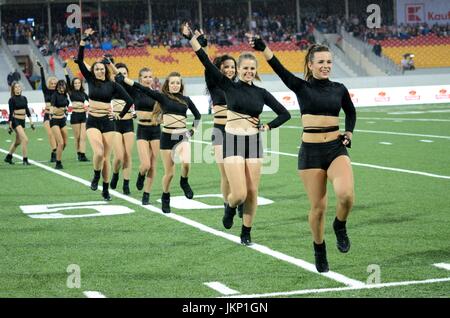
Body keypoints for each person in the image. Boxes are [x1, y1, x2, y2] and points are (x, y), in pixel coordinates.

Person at [249, 36, 356, 272]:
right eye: (321, 61)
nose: (326, 65)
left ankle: (340, 225)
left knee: (346, 195)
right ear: (310, 64)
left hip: (336, 149)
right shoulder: (301, 87)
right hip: (311, 153)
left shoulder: (340, 89)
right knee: (318, 207)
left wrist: (348, 132)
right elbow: (279, 69)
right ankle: (319, 248)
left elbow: (350, 111)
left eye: (329, 61)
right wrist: (264, 48)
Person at [183, 25, 291, 246]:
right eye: (245, 68)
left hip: (254, 142)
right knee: (239, 194)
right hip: (231, 140)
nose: (249, 71)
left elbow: (285, 114)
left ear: (256, 70)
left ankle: (246, 231)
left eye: (252, 68)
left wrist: (267, 127)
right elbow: (204, 60)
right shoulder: (228, 86)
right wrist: (191, 39)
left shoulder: (261, 93)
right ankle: (230, 207)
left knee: (252, 191)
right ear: (238, 69)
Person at [117, 70, 201, 213]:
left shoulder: (186, 99)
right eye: (172, 83)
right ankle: (165, 197)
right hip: (167, 138)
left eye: (177, 83)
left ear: (181, 85)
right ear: (168, 85)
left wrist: (192, 130)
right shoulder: (162, 98)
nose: (175, 85)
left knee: (186, 163)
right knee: (169, 173)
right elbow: (142, 88)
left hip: (182, 136)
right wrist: (125, 80)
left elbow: (198, 116)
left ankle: (184, 181)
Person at [77, 28, 134, 201]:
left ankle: (106, 188)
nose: (100, 71)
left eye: (102, 69)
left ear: (106, 70)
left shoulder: (113, 85)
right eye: (97, 69)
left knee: (107, 158)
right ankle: (96, 175)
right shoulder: (91, 80)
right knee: (99, 153)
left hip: (108, 122)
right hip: (93, 120)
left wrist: (119, 115)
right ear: (93, 71)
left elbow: (129, 100)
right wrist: (83, 40)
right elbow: (80, 60)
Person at [201, 38, 245, 217]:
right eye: (226, 67)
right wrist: (202, 46)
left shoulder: (239, 86)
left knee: (241, 172)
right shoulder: (215, 84)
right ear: (219, 68)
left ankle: (240, 200)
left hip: (239, 132)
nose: (230, 70)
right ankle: (228, 205)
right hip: (220, 131)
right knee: (226, 174)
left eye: (232, 67)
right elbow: (205, 66)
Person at [116, 67, 160, 205]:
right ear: (140, 79)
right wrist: (111, 65)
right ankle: (141, 175)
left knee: (153, 165)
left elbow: (163, 111)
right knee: (145, 164)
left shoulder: (157, 94)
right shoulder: (135, 91)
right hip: (142, 129)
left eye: (150, 77)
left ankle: (146, 194)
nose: (148, 79)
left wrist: (161, 118)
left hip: (155, 130)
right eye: (145, 77)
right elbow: (121, 78)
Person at [107, 62, 135, 195]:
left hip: (128, 124)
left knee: (127, 156)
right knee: (118, 156)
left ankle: (126, 183)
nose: (122, 76)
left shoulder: (131, 88)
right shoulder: (111, 88)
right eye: (120, 73)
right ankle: (115, 174)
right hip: (115, 125)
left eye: (125, 74)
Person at [4, 82, 35, 165]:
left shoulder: (24, 98)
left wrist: (31, 122)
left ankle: (8, 157)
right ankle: (25, 159)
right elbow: (11, 113)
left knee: (18, 142)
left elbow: (27, 110)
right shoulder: (11, 99)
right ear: (13, 89)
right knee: (25, 139)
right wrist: (10, 125)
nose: (18, 88)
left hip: (23, 120)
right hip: (15, 120)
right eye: (16, 87)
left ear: (21, 88)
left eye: (19, 87)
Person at [64, 64, 90, 162]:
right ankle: (78, 153)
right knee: (77, 137)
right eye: (75, 83)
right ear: (73, 84)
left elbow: (90, 102)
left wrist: (89, 107)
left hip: (83, 115)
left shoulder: (84, 93)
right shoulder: (71, 92)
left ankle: (83, 154)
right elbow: (67, 79)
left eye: (78, 83)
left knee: (83, 136)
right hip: (75, 116)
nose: (77, 84)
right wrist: (64, 69)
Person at [37, 61, 58, 162]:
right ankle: (54, 152)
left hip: (57, 116)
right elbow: (43, 79)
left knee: (58, 137)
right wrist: (41, 68)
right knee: (50, 134)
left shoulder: (59, 92)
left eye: (55, 83)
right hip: (47, 115)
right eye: (52, 83)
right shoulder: (46, 90)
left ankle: (56, 152)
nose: (53, 85)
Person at [50, 80, 70, 169]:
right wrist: (51, 113)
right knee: (60, 142)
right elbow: (52, 106)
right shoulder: (54, 95)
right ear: (58, 87)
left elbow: (65, 106)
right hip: (55, 120)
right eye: (60, 86)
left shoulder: (65, 95)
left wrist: (65, 110)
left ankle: (56, 153)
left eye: (63, 86)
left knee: (65, 143)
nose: (62, 87)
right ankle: (58, 162)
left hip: (62, 119)